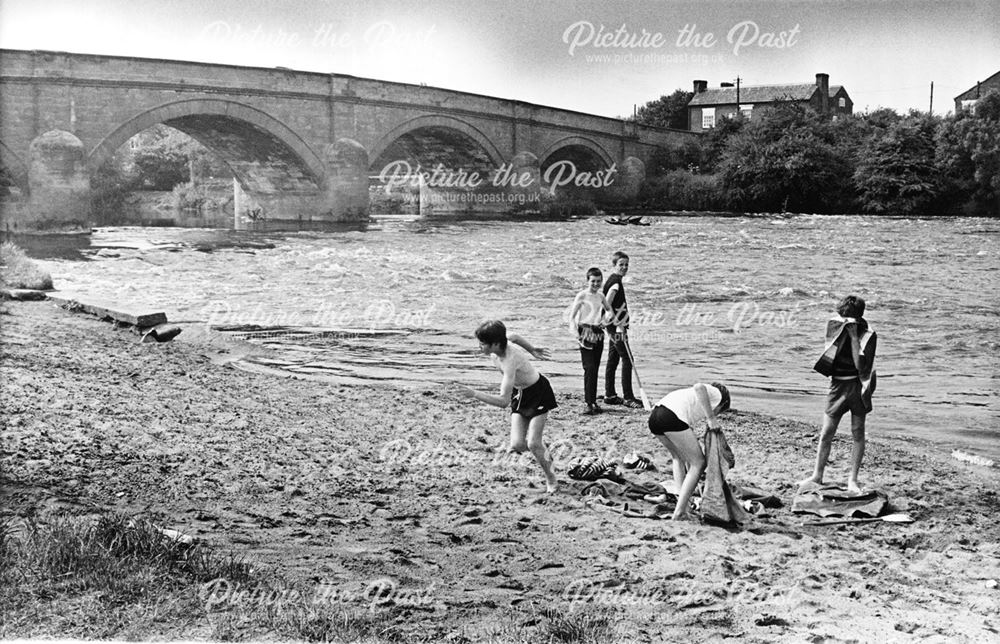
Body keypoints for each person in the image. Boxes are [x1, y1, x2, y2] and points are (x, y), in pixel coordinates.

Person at [455, 320, 559, 493]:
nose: (479, 347)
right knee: (518, 444)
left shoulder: (509, 361)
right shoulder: (502, 343)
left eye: (482, 344)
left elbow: (503, 401)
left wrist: (474, 394)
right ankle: (544, 453)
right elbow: (515, 336)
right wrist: (532, 349)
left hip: (539, 392)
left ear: (495, 344)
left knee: (533, 443)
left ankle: (552, 479)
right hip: (521, 394)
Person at [800, 295, 878, 494]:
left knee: (857, 431)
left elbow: (861, 366)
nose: (843, 322)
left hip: (858, 386)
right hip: (837, 386)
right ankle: (817, 475)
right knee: (827, 432)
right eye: (841, 317)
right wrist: (845, 332)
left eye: (847, 319)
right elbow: (828, 357)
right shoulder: (835, 327)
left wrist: (853, 337)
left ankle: (853, 479)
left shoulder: (869, 335)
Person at [647, 382, 731, 521]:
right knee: (699, 463)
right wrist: (711, 418)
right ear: (723, 404)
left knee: (678, 458)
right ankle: (680, 512)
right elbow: (699, 386)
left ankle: (682, 505)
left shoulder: (691, 400)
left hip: (655, 417)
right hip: (670, 416)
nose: (717, 413)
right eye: (720, 411)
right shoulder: (718, 393)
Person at [569, 267, 612, 415]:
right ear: (587, 281)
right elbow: (572, 318)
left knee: (596, 367)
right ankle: (588, 403)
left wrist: (605, 321)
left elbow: (609, 311)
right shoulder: (582, 295)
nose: (596, 284)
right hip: (584, 331)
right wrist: (577, 335)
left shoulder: (600, 296)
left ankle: (594, 402)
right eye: (593, 281)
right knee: (589, 367)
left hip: (597, 332)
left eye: (598, 281)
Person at [603, 251, 642, 409]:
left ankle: (610, 395)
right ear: (614, 265)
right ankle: (628, 397)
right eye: (621, 264)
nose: (624, 267)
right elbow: (606, 303)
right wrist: (617, 321)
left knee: (613, 358)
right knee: (628, 359)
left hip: (614, 327)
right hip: (616, 328)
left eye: (626, 264)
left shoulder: (615, 280)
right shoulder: (615, 283)